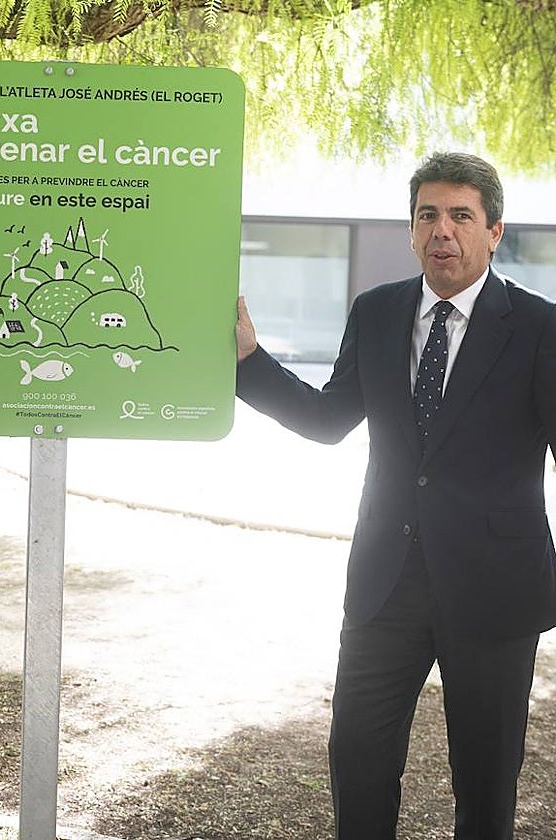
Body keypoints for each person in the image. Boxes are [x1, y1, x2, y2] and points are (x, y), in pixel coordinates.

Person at [235, 151, 556, 839]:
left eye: (461, 216)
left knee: (486, 783)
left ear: (494, 232)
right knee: (357, 762)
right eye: (428, 215)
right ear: (412, 231)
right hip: (387, 584)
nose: (443, 230)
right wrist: (249, 365)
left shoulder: (539, 328)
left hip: (497, 591)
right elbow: (328, 420)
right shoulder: (377, 312)